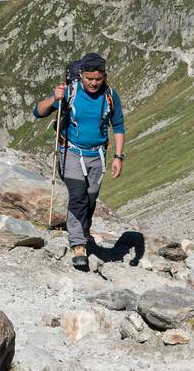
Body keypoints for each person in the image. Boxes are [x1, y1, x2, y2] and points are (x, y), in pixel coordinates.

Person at [33, 53, 125, 271]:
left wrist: (118, 157)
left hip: (97, 156)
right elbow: (38, 112)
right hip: (71, 152)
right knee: (78, 196)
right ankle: (78, 245)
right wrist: (53, 99)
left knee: (90, 200)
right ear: (81, 75)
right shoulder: (69, 93)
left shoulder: (111, 96)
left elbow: (118, 126)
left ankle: (83, 233)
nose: (93, 83)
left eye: (98, 79)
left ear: (104, 76)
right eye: (89, 78)